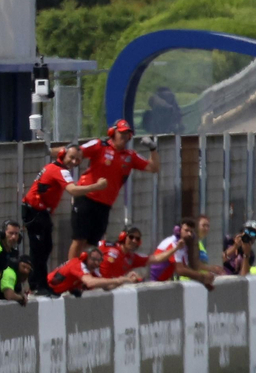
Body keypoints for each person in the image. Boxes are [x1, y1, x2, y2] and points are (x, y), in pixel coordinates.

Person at [69, 120, 159, 261]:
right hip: (86, 198)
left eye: (127, 134)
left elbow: (153, 168)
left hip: (104, 204)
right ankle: (71, 271)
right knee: (79, 239)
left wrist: (153, 148)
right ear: (112, 133)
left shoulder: (130, 156)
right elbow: (76, 152)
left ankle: (84, 271)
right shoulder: (99, 146)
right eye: (121, 133)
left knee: (92, 244)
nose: (124, 136)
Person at [23, 146, 108, 293]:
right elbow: (73, 190)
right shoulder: (60, 170)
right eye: (71, 157)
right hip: (35, 211)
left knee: (45, 248)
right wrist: (97, 186)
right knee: (39, 250)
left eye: (77, 159)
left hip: (40, 212)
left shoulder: (54, 167)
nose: (74, 161)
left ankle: (40, 284)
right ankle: (37, 285)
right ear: (63, 155)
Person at [47, 247, 142, 297]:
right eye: (93, 259)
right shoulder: (77, 264)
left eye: (99, 260)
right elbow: (90, 282)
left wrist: (125, 279)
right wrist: (118, 280)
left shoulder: (90, 271)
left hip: (55, 294)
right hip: (47, 290)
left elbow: (107, 286)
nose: (96, 263)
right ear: (85, 257)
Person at [150, 220, 216, 288]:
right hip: (155, 283)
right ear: (178, 230)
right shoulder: (173, 243)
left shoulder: (183, 246)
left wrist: (202, 279)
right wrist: (202, 277)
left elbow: (185, 267)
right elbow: (180, 270)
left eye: (191, 232)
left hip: (164, 282)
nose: (189, 234)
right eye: (186, 231)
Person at [97, 226, 170, 280]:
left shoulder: (132, 258)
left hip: (112, 290)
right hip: (96, 287)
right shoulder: (105, 245)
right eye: (131, 237)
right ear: (123, 237)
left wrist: (175, 248)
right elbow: (88, 250)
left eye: (137, 239)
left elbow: (156, 259)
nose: (134, 241)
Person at [0, 220, 32, 305]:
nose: (14, 237)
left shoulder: (14, 253)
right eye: (10, 233)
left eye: (16, 234)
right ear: (3, 234)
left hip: (4, 297)